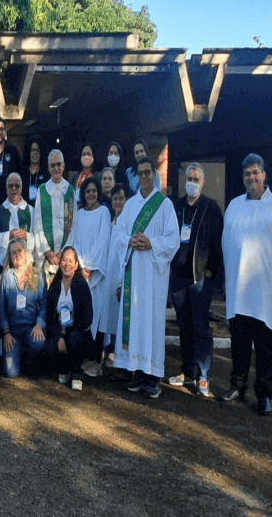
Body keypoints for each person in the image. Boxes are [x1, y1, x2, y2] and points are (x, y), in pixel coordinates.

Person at [221, 153, 272, 416]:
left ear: (264, 175)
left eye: (256, 172)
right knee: (239, 342)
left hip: (267, 291)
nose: (251, 177)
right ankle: (237, 386)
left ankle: (264, 395)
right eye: (247, 174)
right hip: (239, 289)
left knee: (266, 346)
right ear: (242, 178)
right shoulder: (234, 206)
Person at [113, 157, 179, 399]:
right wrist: (129, 241)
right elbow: (118, 233)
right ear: (136, 177)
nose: (145, 177)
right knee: (136, 321)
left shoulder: (164, 205)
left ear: (154, 174)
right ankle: (137, 374)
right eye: (140, 173)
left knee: (151, 322)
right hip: (133, 272)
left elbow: (173, 240)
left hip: (153, 275)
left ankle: (153, 377)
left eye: (148, 173)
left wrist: (151, 243)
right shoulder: (130, 205)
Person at [168, 163, 223, 398]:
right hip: (179, 277)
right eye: (189, 178)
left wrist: (212, 273)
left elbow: (218, 243)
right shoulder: (177, 206)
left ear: (203, 183)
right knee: (184, 325)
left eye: (196, 179)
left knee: (200, 327)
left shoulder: (211, 208)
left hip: (200, 277)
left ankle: (203, 375)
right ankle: (186, 370)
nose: (192, 182)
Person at [71, 177, 111, 377]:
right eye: (88, 191)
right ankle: (83, 358)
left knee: (97, 314)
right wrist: (81, 265)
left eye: (94, 191)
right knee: (82, 314)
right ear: (83, 194)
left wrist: (90, 266)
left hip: (96, 275)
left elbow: (103, 241)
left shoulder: (104, 212)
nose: (91, 194)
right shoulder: (79, 214)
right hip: (82, 272)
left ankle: (96, 359)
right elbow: (75, 240)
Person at [0, 238, 46, 378]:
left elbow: (43, 303)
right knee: (10, 373)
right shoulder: (6, 277)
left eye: (19, 251)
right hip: (13, 331)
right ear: (10, 258)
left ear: (26, 253)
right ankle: (17, 354)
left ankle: (27, 359)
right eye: (13, 253)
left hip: (31, 327)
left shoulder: (36, 275)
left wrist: (39, 324)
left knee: (38, 342)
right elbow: (1, 308)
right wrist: (6, 332)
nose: (17, 254)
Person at [44, 247, 94, 386]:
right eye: (64, 260)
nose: (67, 264)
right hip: (59, 330)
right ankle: (64, 367)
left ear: (76, 264)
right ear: (59, 263)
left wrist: (69, 334)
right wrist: (60, 335)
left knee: (73, 339)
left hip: (78, 333)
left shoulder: (82, 285)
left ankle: (77, 370)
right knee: (50, 346)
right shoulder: (55, 286)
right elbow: (49, 315)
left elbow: (87, 317)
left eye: (70, 261)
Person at [33, 149, 77, 283]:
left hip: (65, 256)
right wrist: (47, 251)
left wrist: (63, 251)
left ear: (63, 166)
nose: (56, 168)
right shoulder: (42, 190)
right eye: (53, 165)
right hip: (48, 257)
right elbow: (37, 223)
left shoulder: (70, 191)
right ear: (48, 168)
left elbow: (74, 224)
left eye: (59, 164)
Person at [97, 184, 128, 368]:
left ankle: (118, 353)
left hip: (120, 276)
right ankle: (108, 348)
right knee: (109, 313)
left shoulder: (127, 223)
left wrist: (121, 280)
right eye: (115, 199)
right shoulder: (111, 221)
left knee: (119, 315)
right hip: (108, 275)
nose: (117, 202)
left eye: (121, 198)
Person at [0, 172, 35, 273]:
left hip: (26, 266)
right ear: (6, 189)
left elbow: (38, 237)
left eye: (17, 185)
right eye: (10, 186)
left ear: (21, 188)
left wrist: (26, 236)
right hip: (6, 266)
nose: (14, 188)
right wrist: (9, 236)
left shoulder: (31, 211)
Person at [21, 135, 49, 206]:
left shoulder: (46, 174)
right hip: (25, 211)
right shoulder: (22, 173)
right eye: (33, 150)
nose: (35, 153)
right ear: (28, 152)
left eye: (38, 150)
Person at [69, 143, 99, 207]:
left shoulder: (98, 176)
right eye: (84, 154)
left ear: (93, 157)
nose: (86, 156)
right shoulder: (75, 176)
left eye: (88, 154)